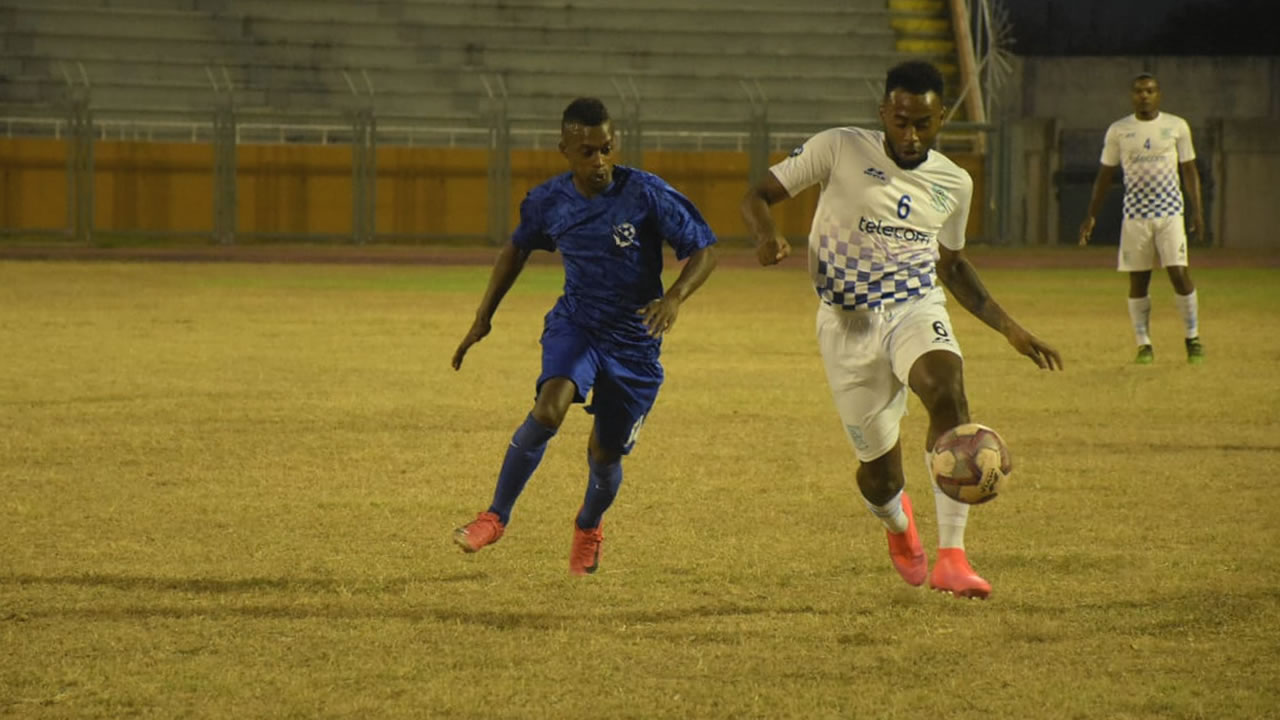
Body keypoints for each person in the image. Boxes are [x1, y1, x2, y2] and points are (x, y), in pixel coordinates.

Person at [740, 61, 1062, 599]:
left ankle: (953, 559)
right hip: (848, 325)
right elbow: (757, 195)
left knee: (947, 390)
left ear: (941, 120)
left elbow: (951, 266)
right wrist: (766, 236)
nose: (911, 135)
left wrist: (1011, 330)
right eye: (902, 121)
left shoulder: (954, 183)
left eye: (924, 124)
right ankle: (898, 524)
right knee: (880, 476)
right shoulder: (838, 147)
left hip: (914, 306)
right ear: (884, 113)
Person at [451, 97, 718, 576]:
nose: (599, 162)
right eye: (587, 152)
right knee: (549, 407)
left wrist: (674, 297)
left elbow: (704, 250)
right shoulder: (548, 201)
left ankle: (588, 525)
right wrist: (483, 316)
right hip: (577, 323)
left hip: (635, 343)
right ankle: (495, 516)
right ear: (565, 150)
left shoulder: (646, 194)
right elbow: (516, 250)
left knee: (604, 453)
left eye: (606, 149)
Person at [1078, 72, 1205, 365]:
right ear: (1131, 95)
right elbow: (1105, 176)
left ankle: (1192, 337)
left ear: (1158, 94)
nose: (1144, 96)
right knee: (1139, 281)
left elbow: (1189, 170)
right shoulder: (1119, 131)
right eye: (1138, 91)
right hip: (1135, 216)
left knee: (1179, 274)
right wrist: (1091, 216)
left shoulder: (1176, 127)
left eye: (1149, 91)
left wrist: (1197, 210)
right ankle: (1144, 344)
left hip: (1170, 213)